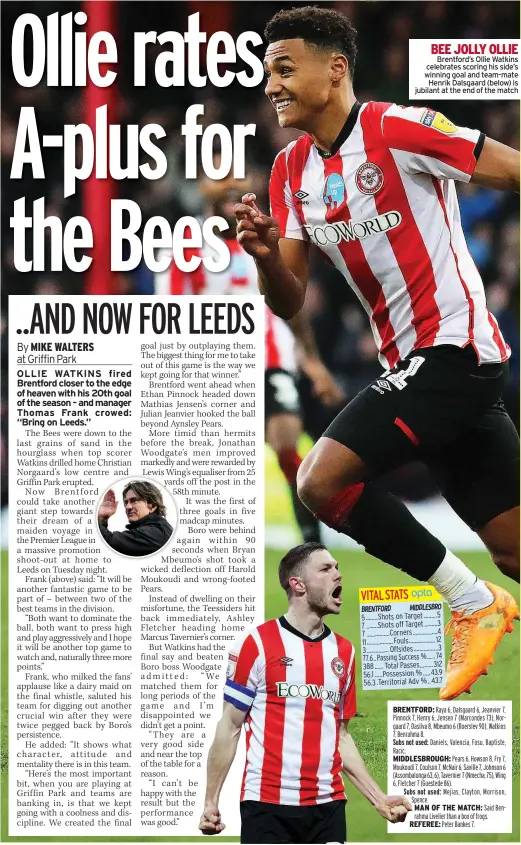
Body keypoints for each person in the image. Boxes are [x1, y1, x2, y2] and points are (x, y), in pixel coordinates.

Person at [233, 6, 520, 701]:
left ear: (335, 70)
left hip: (455, 351)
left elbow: (512, 171)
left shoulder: (398, 127)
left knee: (319, 482)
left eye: (283, 67)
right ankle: (488, 590)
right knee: (512, 547)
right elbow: (289, 299)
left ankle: (470, 600)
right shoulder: (290, 170)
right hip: (415, 370)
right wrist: (268, 257)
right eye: (265, 70)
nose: (271, 84)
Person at [155, 171, 346, 544]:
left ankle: (311, 544)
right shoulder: (186, 243)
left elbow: (290, 305)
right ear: (209, 198)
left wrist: (312, 361)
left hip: (271, 358)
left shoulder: (262, 236)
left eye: (240, 195)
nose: (235, 203)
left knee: (289, 447)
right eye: (227, 196)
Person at [198, 542, 412, 843]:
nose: (337, 574)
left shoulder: (344, 652)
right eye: (325, 569)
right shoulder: (256, 644)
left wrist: (378, 798)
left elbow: (340, 735)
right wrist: (211, 802)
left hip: (328, 806)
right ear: (297, 584)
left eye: (337, 567)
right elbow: (230, 727)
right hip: (267, 806)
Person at [97, 481, 173, 556]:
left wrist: (99, 518)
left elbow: (107, 543)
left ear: (152, 506)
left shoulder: (156, 533)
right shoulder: (159, 529)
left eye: (134, 501)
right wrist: (102, 519)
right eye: (126, 502)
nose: (128, 507)